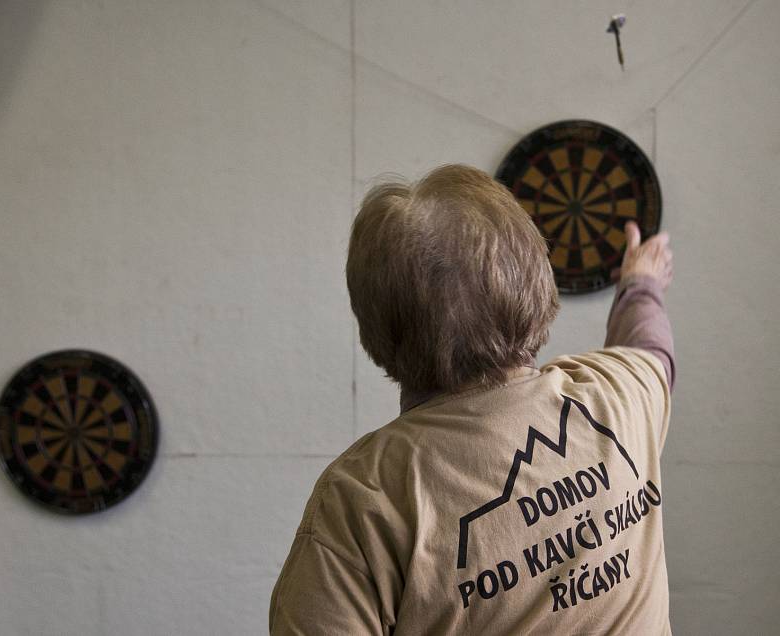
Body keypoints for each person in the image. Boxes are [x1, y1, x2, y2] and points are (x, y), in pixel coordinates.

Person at [269, 164, 675, 635]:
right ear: (538, 285)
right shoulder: (618, 398)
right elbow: (652, 348)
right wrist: (642, 282)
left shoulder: (364, 497)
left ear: (374, 326)